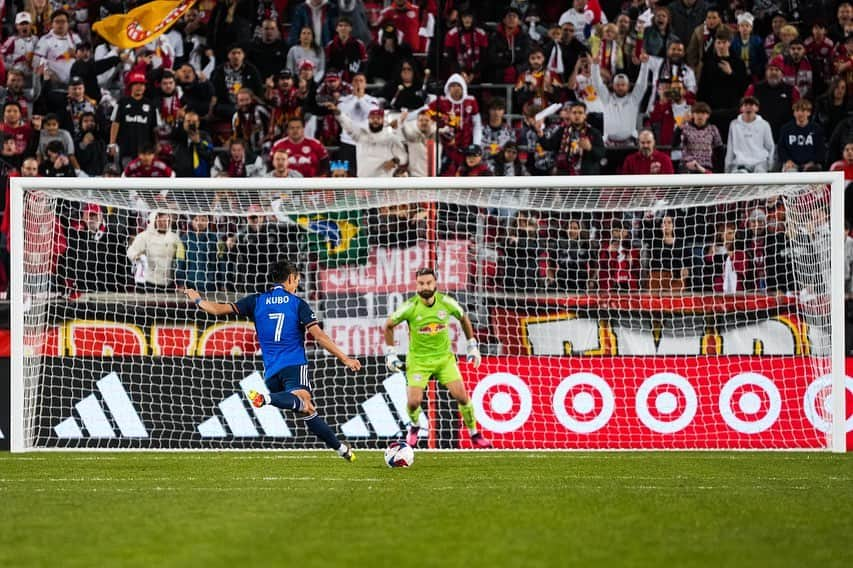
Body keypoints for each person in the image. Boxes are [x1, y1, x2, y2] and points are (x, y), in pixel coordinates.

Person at [184, 259, 360, 461]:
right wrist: (345, 358)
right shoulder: (297, 304)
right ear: (291, 279)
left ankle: (341, 450)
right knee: (304, 401)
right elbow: (319, 336)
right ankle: (266, 399)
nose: (297, 285)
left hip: (271, 372)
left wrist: (197, 299)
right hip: (294, 365)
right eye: (297, 281)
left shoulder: (256, 300)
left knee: (307, 409)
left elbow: (217, 310)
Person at [382, 267, 492, 449]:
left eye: (428, 282)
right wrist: (391, 353)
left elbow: (463, 318)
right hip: (419, 361)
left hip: (444, 360)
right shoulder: (410, 307)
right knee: (413, 402)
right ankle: (415, 426)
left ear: (435, 284)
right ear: (416, 285)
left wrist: (472, 345)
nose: (425, 286)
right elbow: (388, 325)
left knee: (462, 398)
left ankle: (475, 434)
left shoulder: (446, 303)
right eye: (421, 283)